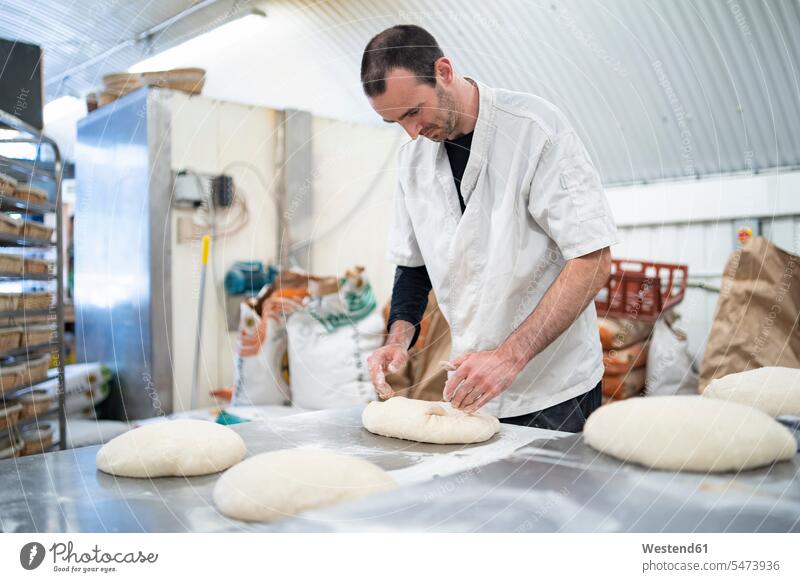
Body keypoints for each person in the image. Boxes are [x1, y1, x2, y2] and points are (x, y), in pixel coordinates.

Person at [362, 25, 619, 432]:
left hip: (555, 392)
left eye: (414, 111)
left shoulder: (535, 130)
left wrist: (508, 358)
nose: (412, 131)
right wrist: (397, 341)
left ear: (443, 71)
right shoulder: (412, 159)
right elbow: (413, 268)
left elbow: (593, 261)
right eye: (396, 121)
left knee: (554, 496)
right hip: (473, 388)